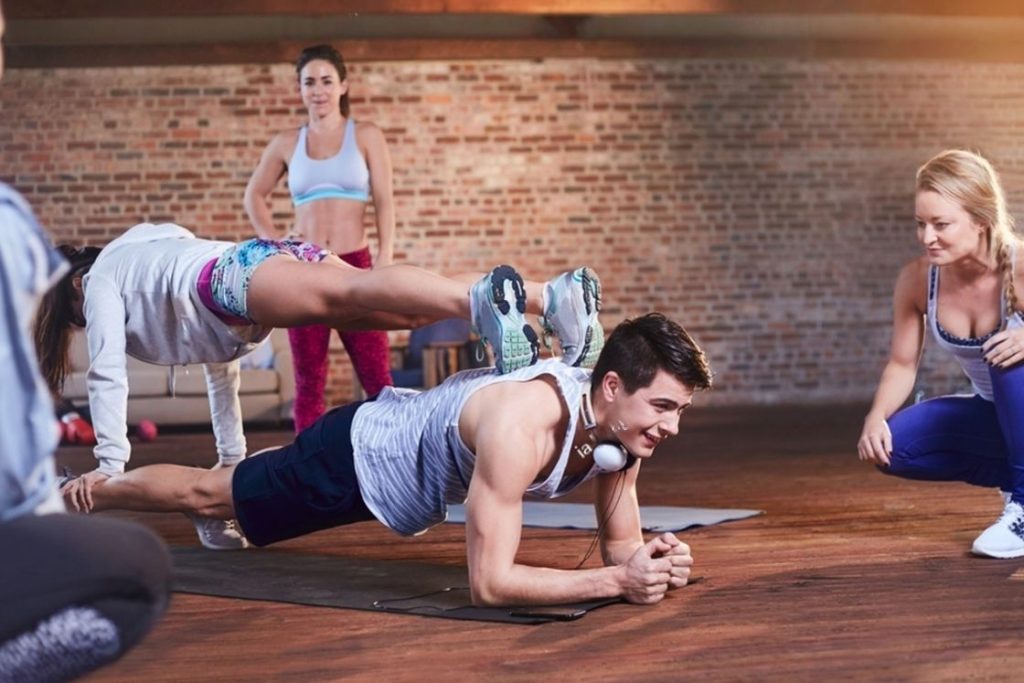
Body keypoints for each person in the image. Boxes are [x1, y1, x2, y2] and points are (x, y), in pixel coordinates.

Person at [62, 313, 711, 607]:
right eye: (664, 405)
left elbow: (620, 550)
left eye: (680, 410)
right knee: (209, 495)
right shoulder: (522, 424)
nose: (673, 426)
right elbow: (490, 584)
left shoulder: (622, 435)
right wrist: (616, 584)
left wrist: (655, 562)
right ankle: (90, 492)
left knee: (230, 498)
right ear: (612, 386)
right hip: (356, 459)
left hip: (400, 459)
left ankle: (234, 481)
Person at [39, 221, 602, 549]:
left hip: (236, 277)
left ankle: (505, 300)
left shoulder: (104, 278)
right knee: (382, 307)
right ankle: (549, 296)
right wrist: (229, 466)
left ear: (73, 291)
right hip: (255, 264)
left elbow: (106, 373)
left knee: (352, 297)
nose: (81, 326)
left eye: (71, 318)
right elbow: (219, 366)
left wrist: (109, 465)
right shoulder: (145, 257)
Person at [0, 6, 172, 673]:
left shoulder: (126, 265)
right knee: (139, 566)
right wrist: (92, 474)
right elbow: (18, 460)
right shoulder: (12, 228)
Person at [857, 149, 1024, 558]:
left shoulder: (1020, 265)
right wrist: (875, 417)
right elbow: (902, 363)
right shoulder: (918, 279)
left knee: (1005, 353)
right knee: (896, 448)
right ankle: (1017, 478)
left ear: (981, 220)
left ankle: (1023, 505)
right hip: (999, 413)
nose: (926, 237)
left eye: (941, 224)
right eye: (921, 224)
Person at [244, 44, 397, 432]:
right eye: (309, 82)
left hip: (355, 267)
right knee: (309, 381)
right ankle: (304, 476)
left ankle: (392, 468)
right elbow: (254, 196)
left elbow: (384, 200)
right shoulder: (285, 142)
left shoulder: (366, 135)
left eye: (327, 81)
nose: (318, 90)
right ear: (299, 89)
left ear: (344, 85)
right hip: (305, 269)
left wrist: (385, 260)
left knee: (378, 380)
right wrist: (275, 245)